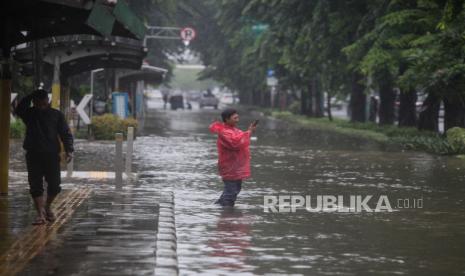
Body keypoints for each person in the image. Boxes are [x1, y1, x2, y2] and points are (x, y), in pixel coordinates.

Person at [15, 89, 74, 225]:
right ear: (34, 102)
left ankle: (47, 206)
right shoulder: (29, 114)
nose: (41, 106)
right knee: (35, 185)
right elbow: (19, 109)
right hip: (33, 154)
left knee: (54, 184)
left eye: (43, 103)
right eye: (37, 103)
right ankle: (40, 213)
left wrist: (69, 150)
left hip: (52, 154)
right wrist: (30, 95)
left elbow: (65, 133)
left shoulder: (56, 115)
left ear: (47, 101)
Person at [209, 108, 257, 207]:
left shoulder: (235, 130)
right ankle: (226, 216)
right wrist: (249, 132)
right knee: (231, 192)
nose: (237, 120)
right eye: (235, 118)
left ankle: (219, 208)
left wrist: (249, 131)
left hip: (236, 167)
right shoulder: (224, 132)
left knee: (234, 190)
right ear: (227, 119)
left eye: (237, 117)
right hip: (229, 166)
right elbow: (235, 143)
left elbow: (242, 139)